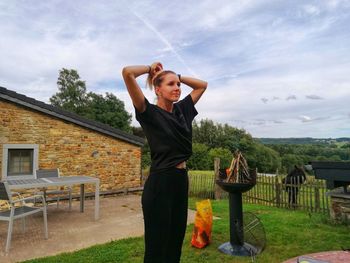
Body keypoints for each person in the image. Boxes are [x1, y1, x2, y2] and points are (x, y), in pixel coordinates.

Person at [122, 62, 207, 263]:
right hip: (160, 183)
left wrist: (176, 74)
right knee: (157, 247)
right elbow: (127, 73)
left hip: (180, 181)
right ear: (158, 89)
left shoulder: (182, 110)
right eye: (171, 84)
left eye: (178, 84)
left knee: (175, 243)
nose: (177, 87)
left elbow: (202, 85)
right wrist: (150, 69)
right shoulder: (148, 112)